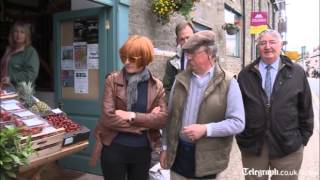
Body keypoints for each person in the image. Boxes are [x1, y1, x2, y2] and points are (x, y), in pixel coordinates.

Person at [160, 30, 245, 179]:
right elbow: (171, 117)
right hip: (178, 156)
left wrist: (206, 129)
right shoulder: (179, 80)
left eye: (194, 53)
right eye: (187, 53)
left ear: (210, 55)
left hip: (208, 161)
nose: (189, 57)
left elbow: (238, 123)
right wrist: (165, 147)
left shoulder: (229, 82)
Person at [236, 29, 314, 180]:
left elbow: (306, 109)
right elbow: (238, 109)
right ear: (258, 46)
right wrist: (243, 138)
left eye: (272, 42)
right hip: (254, 147)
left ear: (281, 45)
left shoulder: (297, 72)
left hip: (288, 147)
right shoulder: (245, 74)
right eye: (263, 43)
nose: (268, 47)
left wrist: (302, 139)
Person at [90, 35, 168, 180]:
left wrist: (132, 116)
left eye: (132, 58)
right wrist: (143, 124)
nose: (126, 62)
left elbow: (162, 119)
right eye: (124, 57)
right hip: (114, 148)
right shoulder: (112, 81)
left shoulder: (156, 86)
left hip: (142, 151)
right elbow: (108, 118)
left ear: (144, 58)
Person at [0, 21, 39, 87]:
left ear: (27, 35)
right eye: (16, 31)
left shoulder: (30, 52)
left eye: (22, 32)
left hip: (20, 92)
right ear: (12, 34)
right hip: (5, 89)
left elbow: (31, 74)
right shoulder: (9, 50)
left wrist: (11, 78)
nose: (18, 35)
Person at [162, 21, 195, 98]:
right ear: (177, 41)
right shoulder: (172, 63)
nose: (186, 42)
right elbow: (167, 88)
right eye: (182, 39)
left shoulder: (207, 57)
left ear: (195, 36)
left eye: (188, 37)